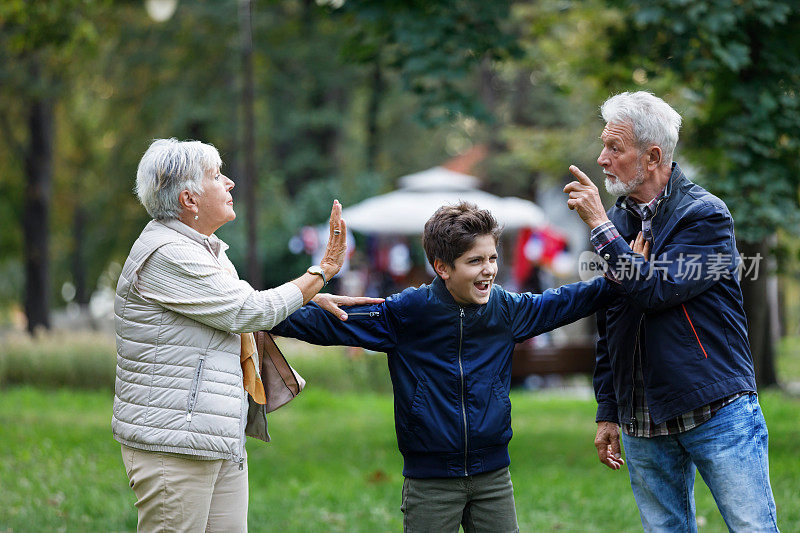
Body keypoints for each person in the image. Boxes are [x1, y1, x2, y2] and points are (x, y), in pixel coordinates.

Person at [270, 201, 617, 532]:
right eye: (475, 261)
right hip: (430, 482)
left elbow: (569, 300)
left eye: (493, 258)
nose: (489, 270)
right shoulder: (408, 312)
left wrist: (627, 275)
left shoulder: (505, 310)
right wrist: (264, 310)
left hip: (494, 477)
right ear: (442, 267)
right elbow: (331, 323)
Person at [112, 138, 380, 532]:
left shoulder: (205, 249)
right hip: (174, 444)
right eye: (217, 176)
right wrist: (322, 269)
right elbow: (247, 311)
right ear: (189, 199)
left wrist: (308, 296)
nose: (231, 183)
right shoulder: (166, 253)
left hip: (216, 435)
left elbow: (237, 302)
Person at [564, 91, 779, 531]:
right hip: (642, 421)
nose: (601, 158)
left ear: (652, 156)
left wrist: (601, 228)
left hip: (714, 409)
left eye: (614, 148)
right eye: (603, 145)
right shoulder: (620, 226)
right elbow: (612, 325)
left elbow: (655, 290)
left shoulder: (706, 217)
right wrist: (608, 410)